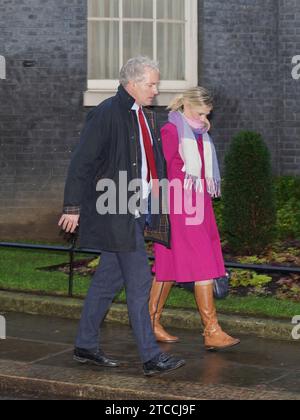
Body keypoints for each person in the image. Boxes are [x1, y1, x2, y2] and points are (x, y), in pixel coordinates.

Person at [58, 56, 185, 376]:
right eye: (151, 84)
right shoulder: (106, 114)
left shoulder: (143, 115)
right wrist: (72, 208)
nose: (156, 90)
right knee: (140, 282)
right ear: (132, 84)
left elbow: (149, 165)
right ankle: (151, 357)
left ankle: (85, 345)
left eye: (156, 84)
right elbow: (81, 163)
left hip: (136, 209)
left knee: (106, 282)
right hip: (116, 211)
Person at [150, 87, 240, 350]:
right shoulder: (171, 131)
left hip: (198, 202)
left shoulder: (198, 132)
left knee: (168, 263)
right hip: (181, 204)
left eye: (207, 114)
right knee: (202, 261)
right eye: (200, 112)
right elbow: (163, 170)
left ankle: (149, 322)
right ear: (187, 106)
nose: (204, 118)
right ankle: (211, 330)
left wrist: (201, 130)